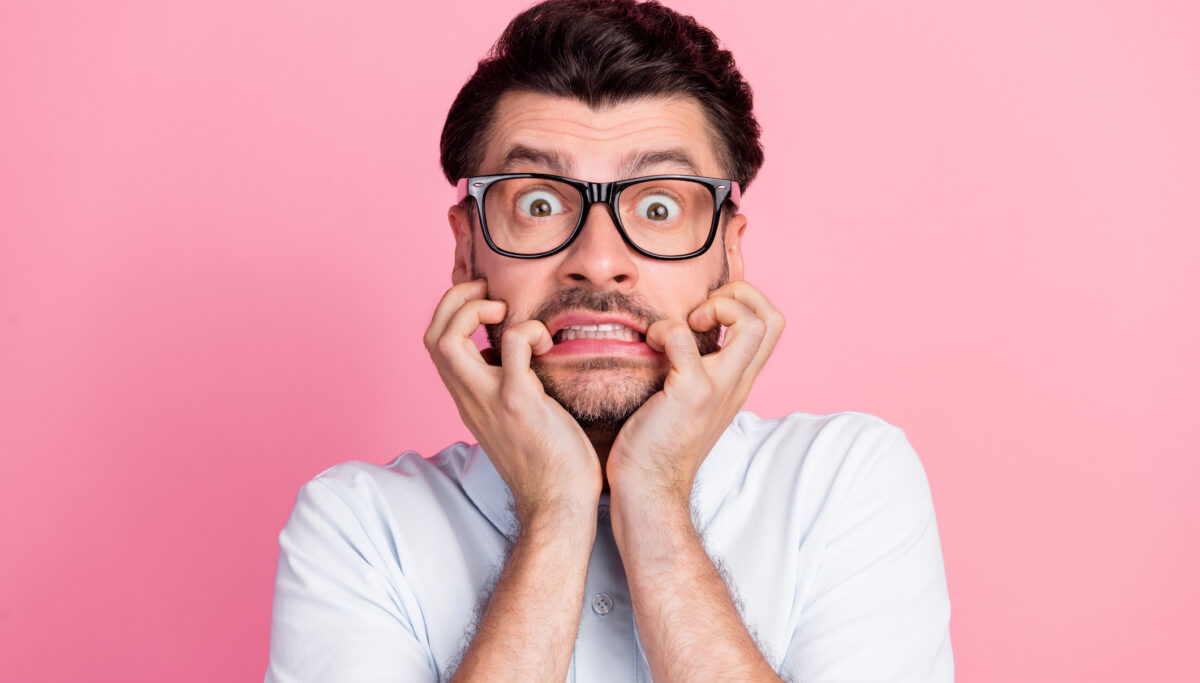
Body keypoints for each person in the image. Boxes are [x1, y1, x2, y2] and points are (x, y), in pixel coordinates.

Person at [265, 1, 953, 681]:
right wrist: (554, 510)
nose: (597, 259)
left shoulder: (844, 482)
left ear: (728, 255)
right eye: (538, 203)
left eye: (658, 206)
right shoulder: (360, 525)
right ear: (467, 249)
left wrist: (652, 494)